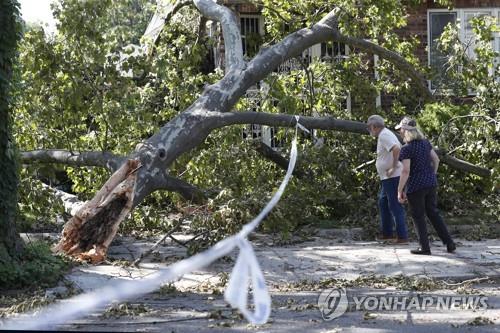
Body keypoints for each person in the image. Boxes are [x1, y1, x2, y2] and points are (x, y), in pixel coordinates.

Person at [396, 117, 456, 255]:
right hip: (430, 183)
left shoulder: (406, 148)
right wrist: (432, 174)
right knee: (433, 213)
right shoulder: (425, 143)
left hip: (416, 186)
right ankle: (449, 243)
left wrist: (399, 190)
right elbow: (436, 159)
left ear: (405, 131)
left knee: (418, 216)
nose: (400, 132)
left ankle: (424, 247)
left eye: (401, 129)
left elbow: (405, 171)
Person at [366, 115, 408, 243]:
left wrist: (393, 167)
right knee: (383, 202)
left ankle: (402, 236)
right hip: (386, 177)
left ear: (374, 126)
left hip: (392, 176)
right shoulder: (384, 134)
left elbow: (396, 149)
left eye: (369, 127)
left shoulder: (384, 135)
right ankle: (387, 233)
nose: (369, 130)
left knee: (394, 205)